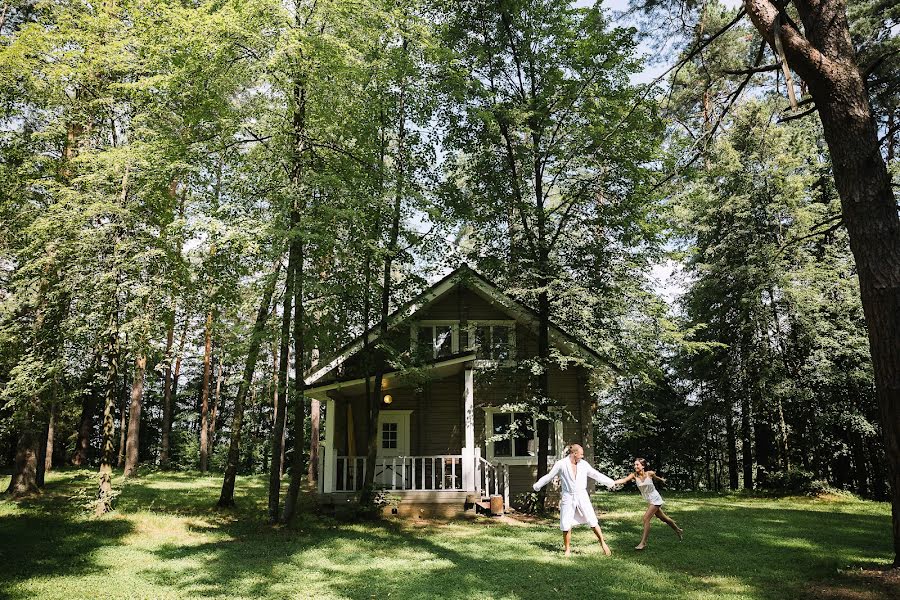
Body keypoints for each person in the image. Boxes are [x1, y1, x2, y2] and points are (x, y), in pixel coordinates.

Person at [532, 443, 615, 557]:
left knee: (592, 519)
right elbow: (549, 476)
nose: (582, 456)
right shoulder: (561, 464)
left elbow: (596, 475)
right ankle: (567, 550)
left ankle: (603, 543)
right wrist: (537, 485)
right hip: (568, 496)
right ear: (574, 453)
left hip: (582, 495)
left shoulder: (583, 464)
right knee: (566, 523)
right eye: (581, 454)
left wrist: (610, 482)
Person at [612, 458, 683, 550]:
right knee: (664, 518)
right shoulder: (634, 475)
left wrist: (662, 480)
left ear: (643, 466)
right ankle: (678, 530)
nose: (635, 466)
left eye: (637, 465)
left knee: (646, 518)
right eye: (635, 465)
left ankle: (643, 543)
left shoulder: (649, 473)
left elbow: (656, 478)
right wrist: (612, 482)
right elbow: (624, 480)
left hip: (655, 498)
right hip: (649, 500)